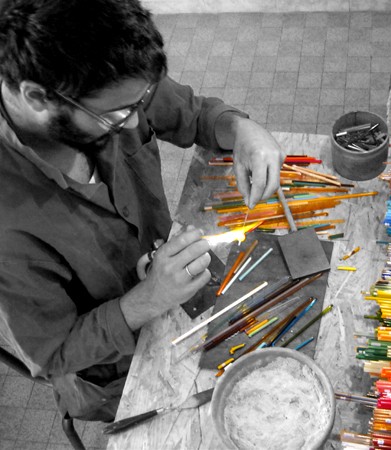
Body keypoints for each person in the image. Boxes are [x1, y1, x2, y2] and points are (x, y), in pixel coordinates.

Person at [0, 0, 285, 422]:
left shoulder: (108, 80)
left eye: (141, 101)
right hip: (117, 370)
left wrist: (242, 129)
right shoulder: (9, 226)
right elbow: (53, 354)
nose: (135, 123)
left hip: (172, 287)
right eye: (118, 114)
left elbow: (191, 112)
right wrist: (148, 299)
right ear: (37, 97)